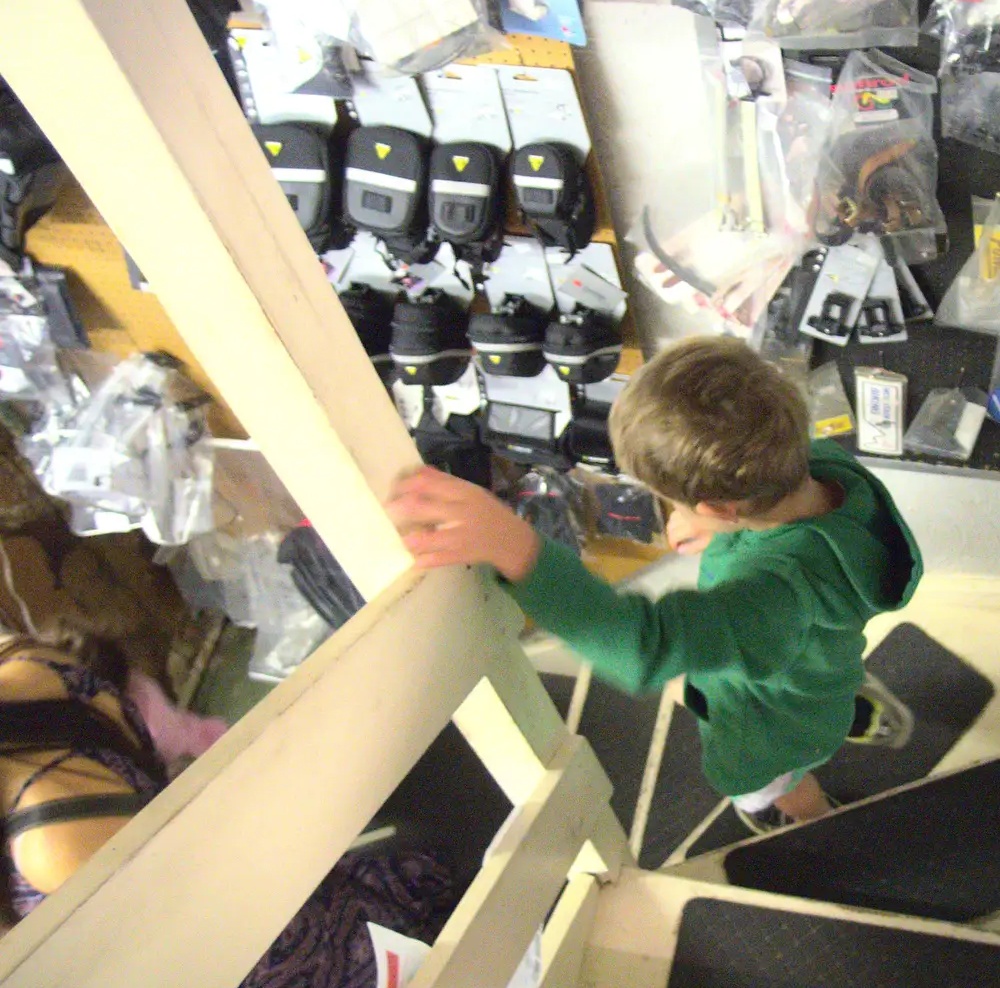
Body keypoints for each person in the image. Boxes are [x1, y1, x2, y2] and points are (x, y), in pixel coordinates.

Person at [388, 336, 923, 832]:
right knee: (815, 682)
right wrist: (715, 523)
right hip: (819, 665)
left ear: (722, 507)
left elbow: (648, 645)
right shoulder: (820, 464)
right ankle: (846, 714)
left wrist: (516, 547)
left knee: (762, 782)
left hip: (772, 724)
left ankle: (812, 818)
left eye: (678, 504)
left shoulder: (774, 594)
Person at [0, 631, 456, 988]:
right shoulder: (29, 664)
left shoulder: (52, 841)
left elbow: (193, 950)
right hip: (293, 900)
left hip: (278, 976)